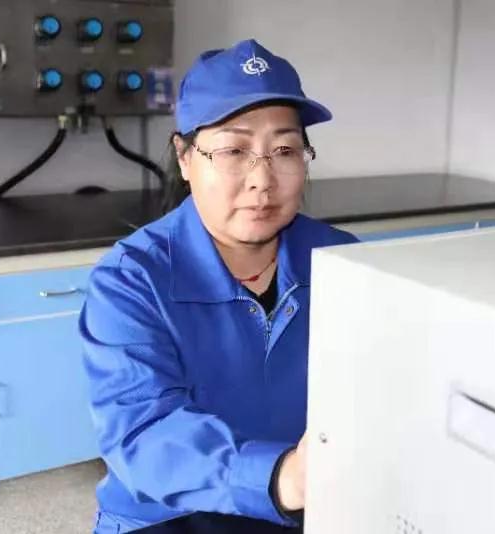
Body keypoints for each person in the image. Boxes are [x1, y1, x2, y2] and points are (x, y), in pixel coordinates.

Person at [80, 38, 358, 534]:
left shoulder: (342, 261)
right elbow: (143, 432)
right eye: (234, 150)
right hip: (168, 512)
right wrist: (282, 477)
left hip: (304, 502)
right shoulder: (130, 280)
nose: (262, 179)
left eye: (284, 150)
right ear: (185, 158)